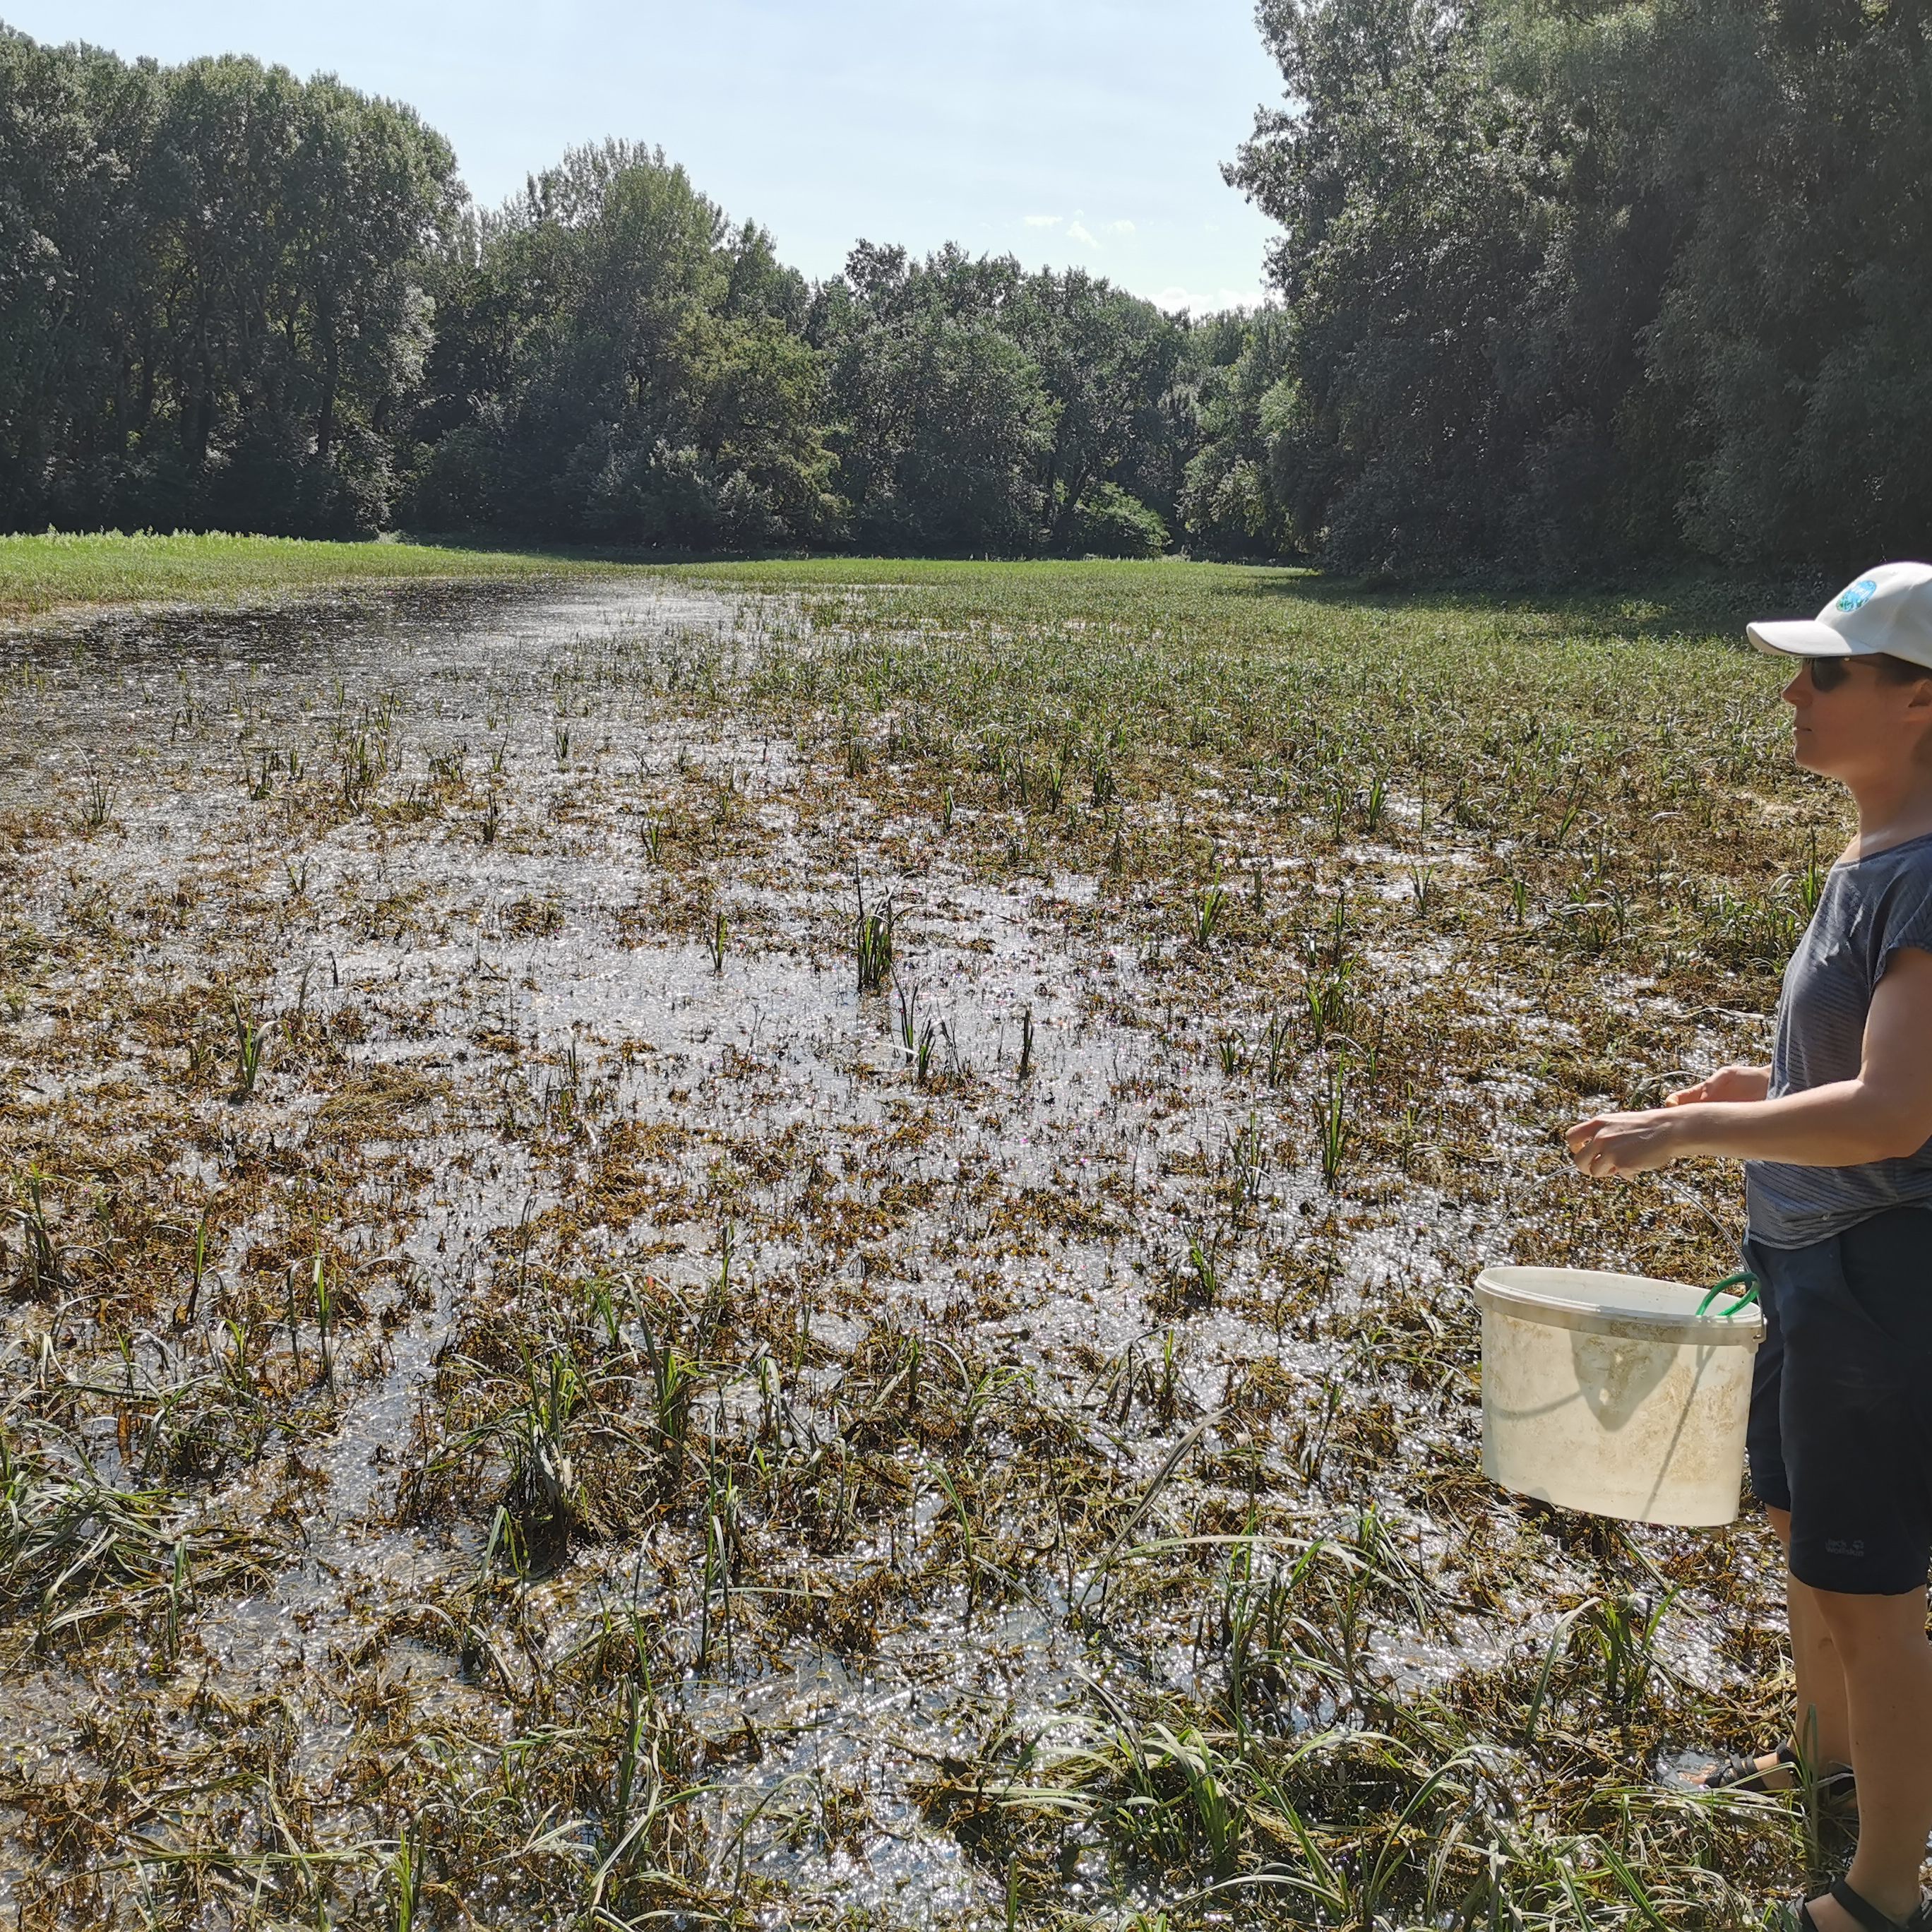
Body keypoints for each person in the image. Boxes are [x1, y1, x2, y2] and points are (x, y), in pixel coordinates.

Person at [1566, 562, 1932, 1932]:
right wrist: (1749, 1090)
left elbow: (1899, 1112)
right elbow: (1856, 1067)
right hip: (1809, 1265)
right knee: (1804, 1539)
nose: (1794, 690)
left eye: (1828, 672)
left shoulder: (1929, 877)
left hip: (1875, 1282)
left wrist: (1681, 1137)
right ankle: (1832, 1770)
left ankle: (1886, 1892)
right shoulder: (1874, 855)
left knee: (1872, 1587)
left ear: (1920, 704)